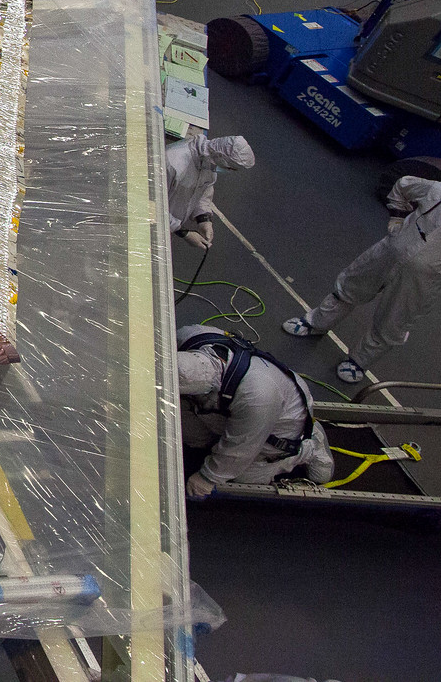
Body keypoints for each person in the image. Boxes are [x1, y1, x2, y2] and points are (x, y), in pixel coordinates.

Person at [284, 174, 441, 384]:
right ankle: (316, 322)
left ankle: (359, 362)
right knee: (349, 287)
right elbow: (403, 185)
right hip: (389, 253)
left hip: (423, 280)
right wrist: (397, 217)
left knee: (393, 321)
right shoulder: (435, 191)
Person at [177, 323, 334, 498]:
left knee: (243, 476)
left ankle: (308, 448)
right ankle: (213, 443)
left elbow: (240, 449)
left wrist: (206, 478)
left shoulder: (257, 397)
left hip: (279, 428)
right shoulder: (190, 336)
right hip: (229, 409)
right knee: (186, 426)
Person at [166, 131, 253, 250]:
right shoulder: (173, 162)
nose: (229, 171)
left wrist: (203, 219)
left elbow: (202, 193)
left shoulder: (208, 163)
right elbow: (151, 204)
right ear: (222, 158)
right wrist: (182, 232)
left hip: (167, 227)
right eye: (229, 168)